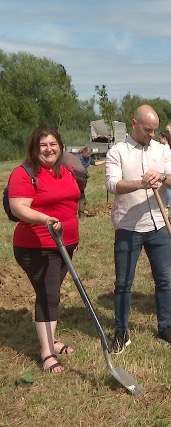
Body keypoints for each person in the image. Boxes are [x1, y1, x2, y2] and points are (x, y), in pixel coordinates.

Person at [105, 104, 171, 354]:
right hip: (128, 227)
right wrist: (140, 183)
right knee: (123, 283)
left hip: (159, 225)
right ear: (134, 123)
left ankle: (164, 327)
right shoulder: (118, 151)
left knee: (163, 280)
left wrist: (160, 177)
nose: (151, 134)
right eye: (147, 130)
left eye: (154, 130)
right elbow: (112, 184)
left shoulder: (162, 150)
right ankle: (121, 331)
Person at [7, 126, 81, 373]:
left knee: (52, 292)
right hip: (37, 245)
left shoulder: (65, 170)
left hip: (65, 243)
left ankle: (52, 340)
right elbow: (18, 208)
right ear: (34, 148)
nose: (49, 149)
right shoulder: (23, 173)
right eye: (43, 145)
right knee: (48, 294)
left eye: (53, 144)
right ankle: (47, 352)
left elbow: (72, 199)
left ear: (60, 146)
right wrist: (45, 219)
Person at [158, 131, 171, 209]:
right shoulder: (169, 147)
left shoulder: (165, 148)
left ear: (164, 139)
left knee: (166, 187)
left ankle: (167, 202)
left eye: (160, 139)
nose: (159, 141)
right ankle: (168, 200)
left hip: (165, 169)